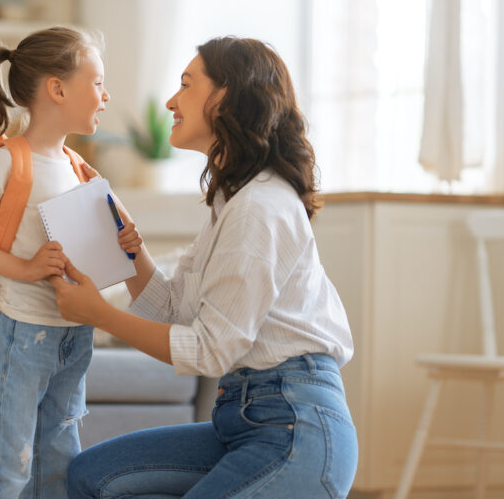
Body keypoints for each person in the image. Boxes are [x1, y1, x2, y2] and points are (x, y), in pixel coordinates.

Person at [49, 36, 358, 498]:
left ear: (227, 96)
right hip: (242, 420)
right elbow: (174, 311)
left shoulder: (260, 208)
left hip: (295, 426)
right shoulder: (230, 202)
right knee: (92, 476)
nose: (172, 101)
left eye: (186, 85)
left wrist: (99, 314)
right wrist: (133, 256)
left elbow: (210, 351)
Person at [0, 26, 112, 499]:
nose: (105, 95)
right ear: (57, 89)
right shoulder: (9, 161)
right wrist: (26, 268)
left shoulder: (79, 168)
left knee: (59, 464)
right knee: (7, 465)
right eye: (97, 82)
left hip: (73, 336)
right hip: (21, 332)